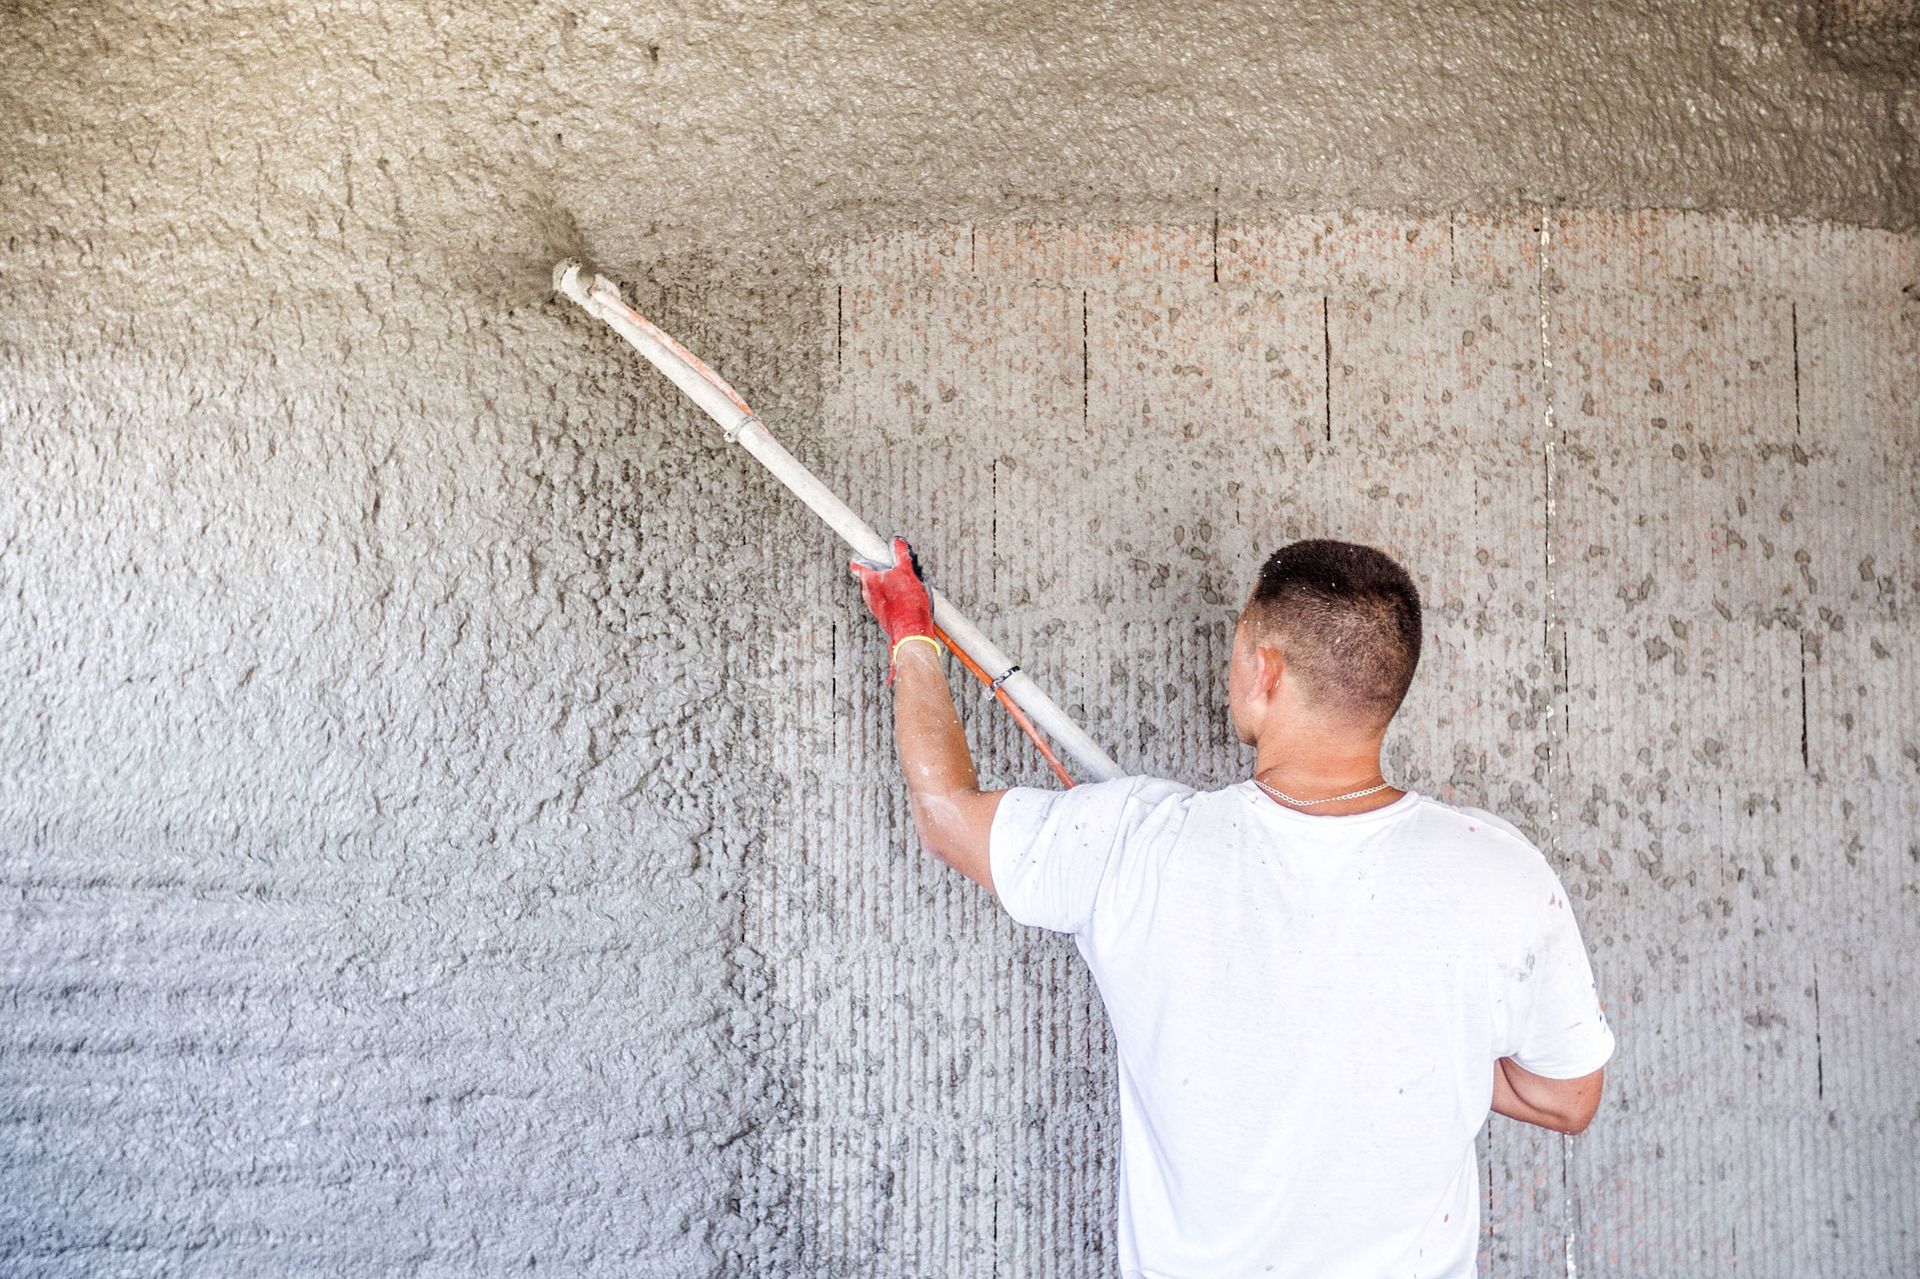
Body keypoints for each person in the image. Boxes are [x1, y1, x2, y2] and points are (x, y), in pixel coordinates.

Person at [849, 535, 1614, 1279]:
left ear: (1264, 670)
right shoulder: (1501, 871)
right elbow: (1569, 1096)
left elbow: (947, 813)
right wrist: (1415, 1043)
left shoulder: (1137, 842)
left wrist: (912, 634)